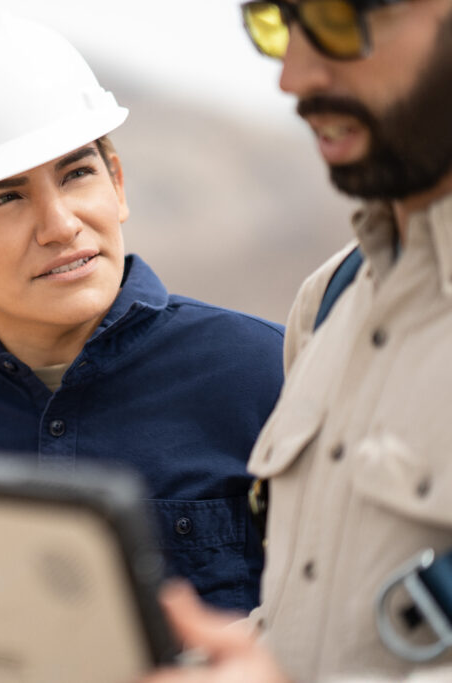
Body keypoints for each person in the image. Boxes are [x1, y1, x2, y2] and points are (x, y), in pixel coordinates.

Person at [0, 13, 285, 617]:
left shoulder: (264, 374)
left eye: (76, 173)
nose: (61, 226)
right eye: (5, 198)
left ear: (118, 184)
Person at [141, 0, 452, 681]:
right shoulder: (328, 301)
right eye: (277, 24)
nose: (294, 76)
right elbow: (310, 625)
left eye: (340, 18)